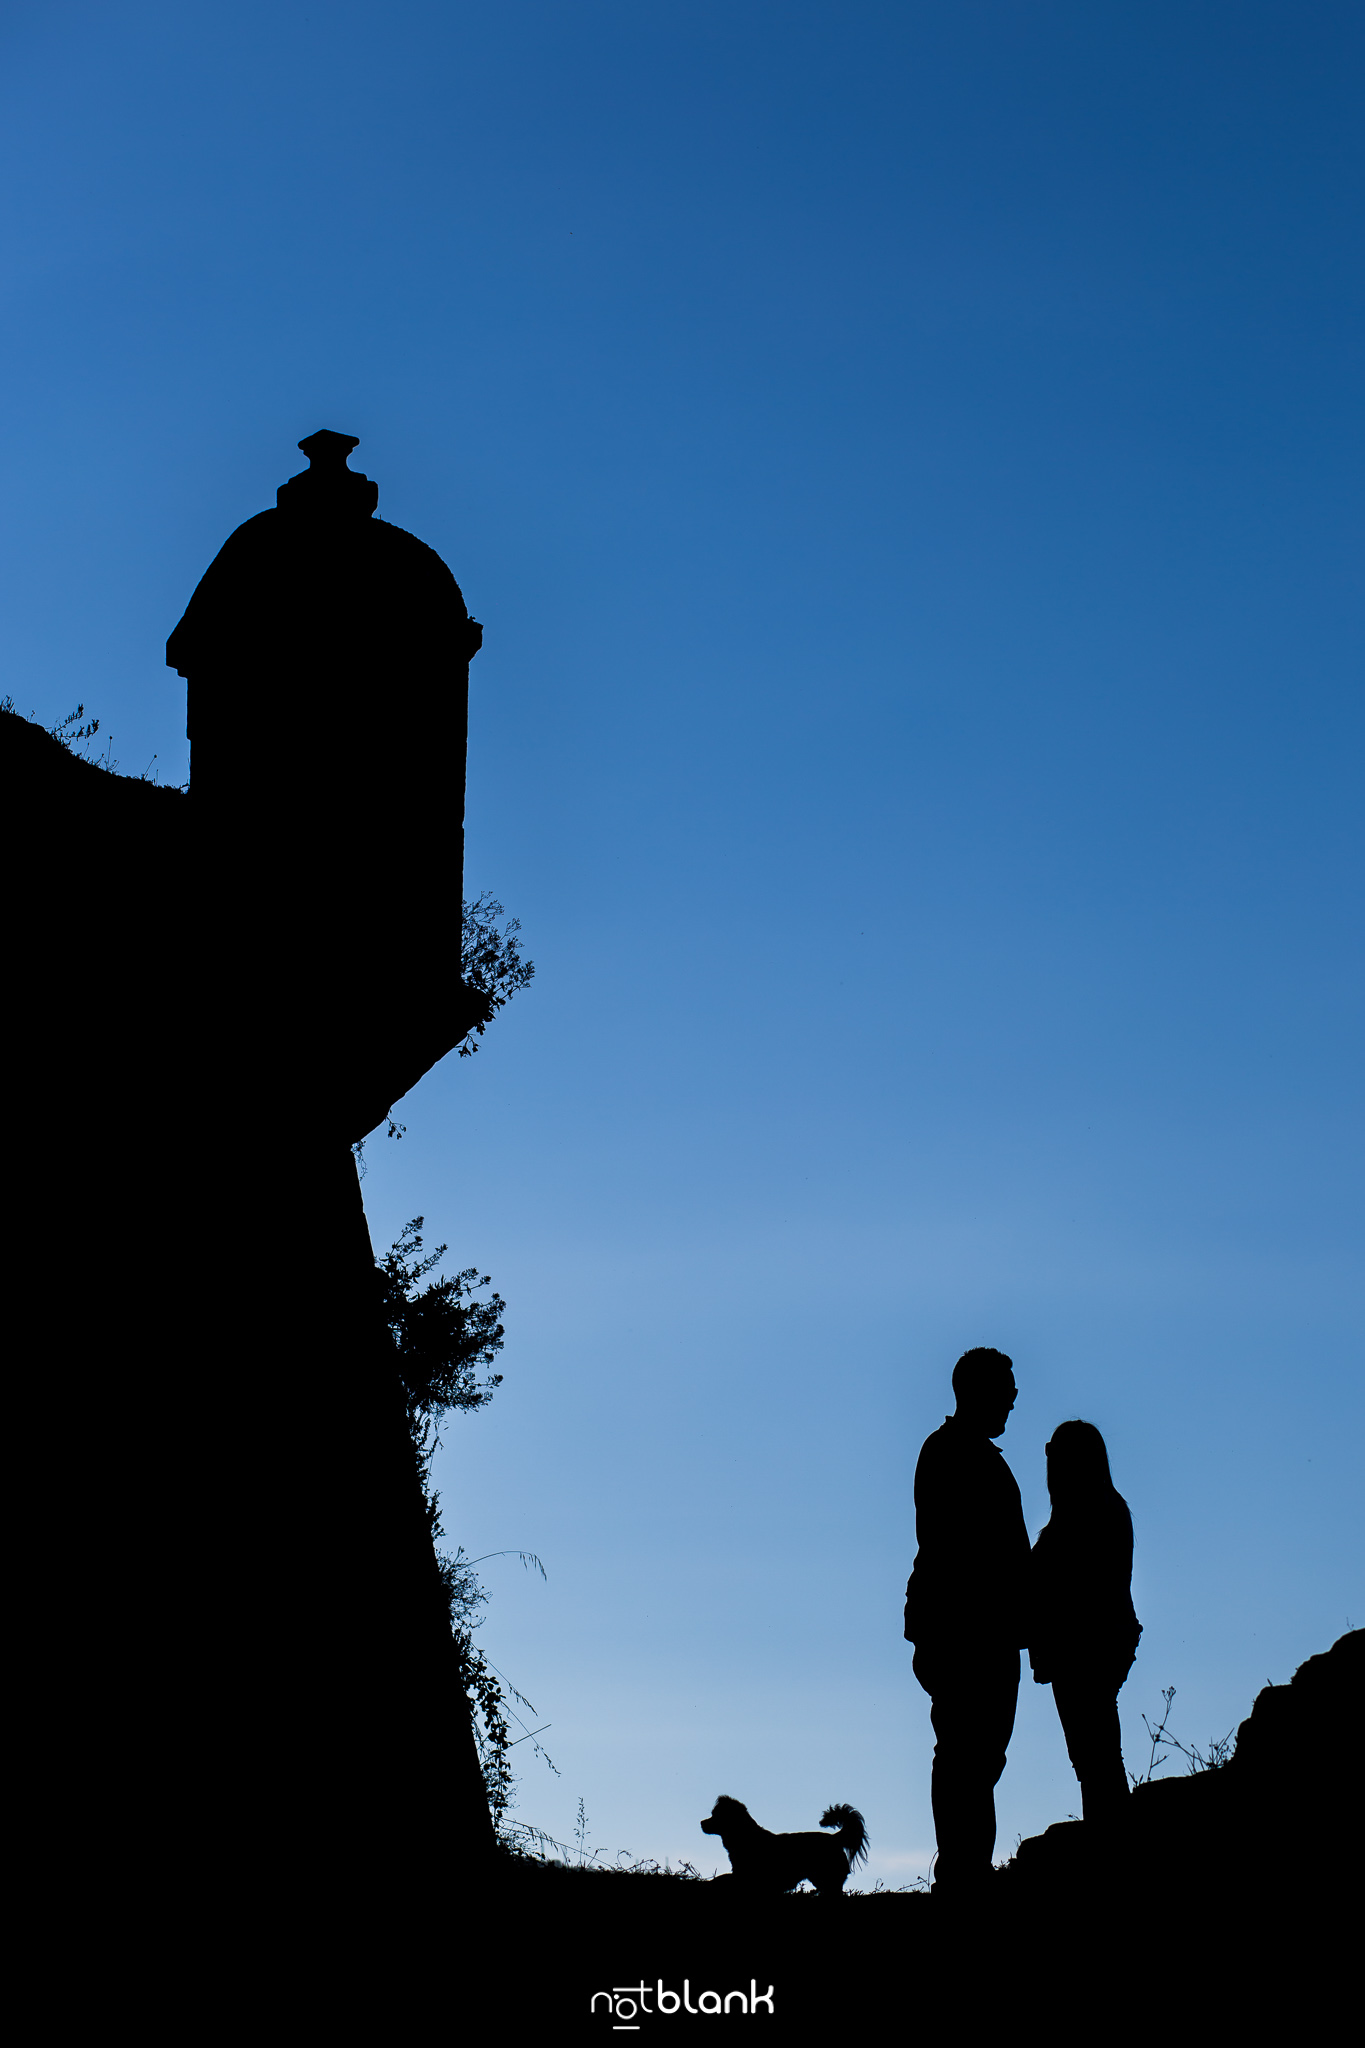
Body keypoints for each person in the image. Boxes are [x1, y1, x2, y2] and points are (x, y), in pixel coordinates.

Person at [903, 1346, 1030, 1893]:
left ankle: (967, 1869)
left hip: (983, 1631)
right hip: (966, 1632)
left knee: (978, 1758)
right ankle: (962, 1874)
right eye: (1006, 1387)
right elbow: (960, 1551)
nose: (1014, 1397)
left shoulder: (970, 1454)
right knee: (965, 1755)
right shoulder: (953, 1454)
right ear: (977, 1391)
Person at [1027, 1420, 1142, 1825]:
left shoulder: (1084, 1518)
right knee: (1096, 1750)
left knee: (1092, 1753)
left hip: (1084, 1646)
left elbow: (1071, 1588)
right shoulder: (1104, 1510)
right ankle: (1109, 1831)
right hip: (1099, 1642)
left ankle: (1109, 1836)